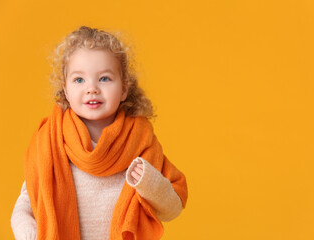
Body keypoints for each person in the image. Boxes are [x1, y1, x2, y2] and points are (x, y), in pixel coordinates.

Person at [10, 26, 188, 240]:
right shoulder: (50, 141)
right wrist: (29, 233)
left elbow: (173, 208)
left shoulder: (140, 142)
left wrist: (149, 183)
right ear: (65, 90)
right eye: (79, 80)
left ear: (124, 89)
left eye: (104, 78)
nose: (91, 88)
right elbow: (24, 206)